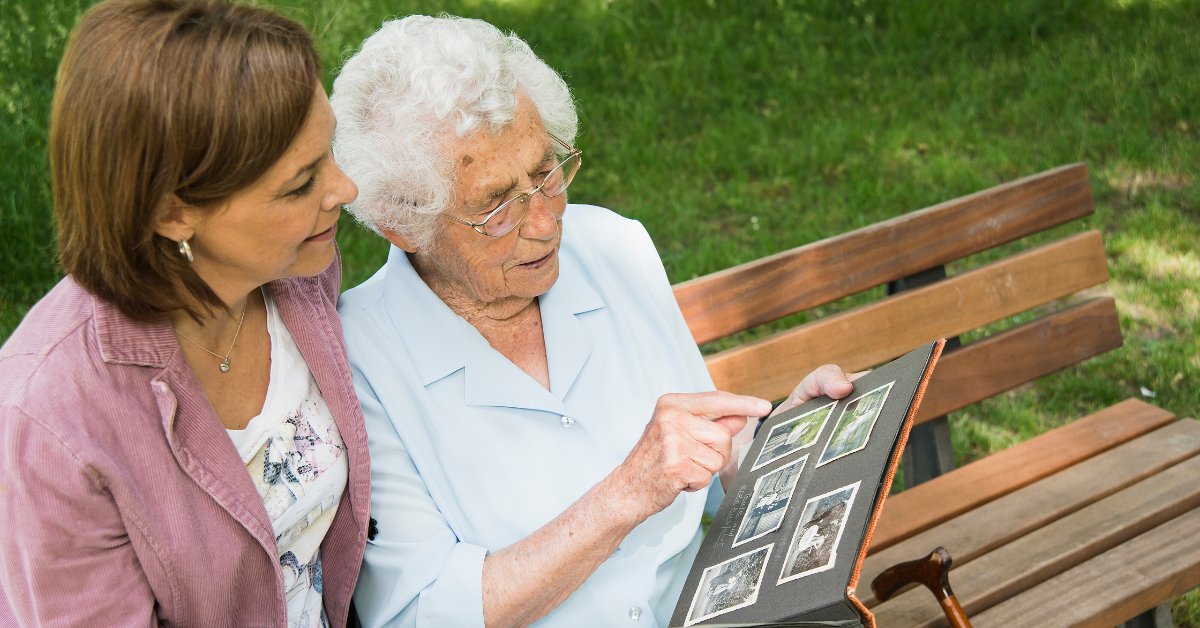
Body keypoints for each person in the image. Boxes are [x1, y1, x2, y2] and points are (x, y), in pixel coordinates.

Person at [332, 15, 859, 628]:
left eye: (545, 173)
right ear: (403, 222)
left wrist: (788, 443)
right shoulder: (362, 359)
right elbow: (421, 616)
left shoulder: (612, 248)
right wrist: (627, 493)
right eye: (494, 206)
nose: (544, 223)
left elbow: (708, 457)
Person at [0, 1, 369, 626]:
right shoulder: (52, 422)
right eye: (300, 182)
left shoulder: (296, 273)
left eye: (328, 152)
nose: (344, 189)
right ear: (173, 214)